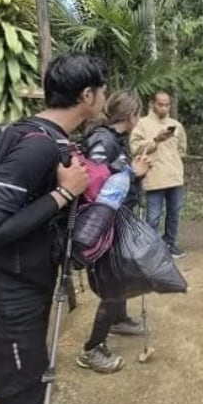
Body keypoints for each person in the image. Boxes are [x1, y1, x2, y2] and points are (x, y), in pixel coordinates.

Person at [0, 53, 107, 404]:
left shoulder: (40, 135)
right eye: (102, 90)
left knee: (27, 385)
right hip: (2, 297)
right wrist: (63, 194)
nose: (104, 97)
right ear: (87, 95)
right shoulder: (37, 147)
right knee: (24, 393)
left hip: (17, 287)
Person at [77, 90, 153, 374]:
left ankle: (119, 320)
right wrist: (133, 173)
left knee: (122, 271)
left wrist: (137, 172)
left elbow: (117, 173)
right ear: (132, 115)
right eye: (139, 114)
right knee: (111, 280)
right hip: (104, 221)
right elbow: (95, 184)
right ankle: (92, 349)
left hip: (119, 216)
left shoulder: (116, 140)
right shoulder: (102, 140)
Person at [130, 90, 188, 259]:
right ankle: (151, 249)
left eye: (167, 104)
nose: (164, 108)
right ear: (152, 104)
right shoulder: (142, 124)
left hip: (174, 177)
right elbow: (135, 148)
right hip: (154, 177)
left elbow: (182, 149)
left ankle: (169, 244)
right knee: (153, 217)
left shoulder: (176, 125)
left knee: (174, 214)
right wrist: (156, 140)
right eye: (160, 104)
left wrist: (174, 161)